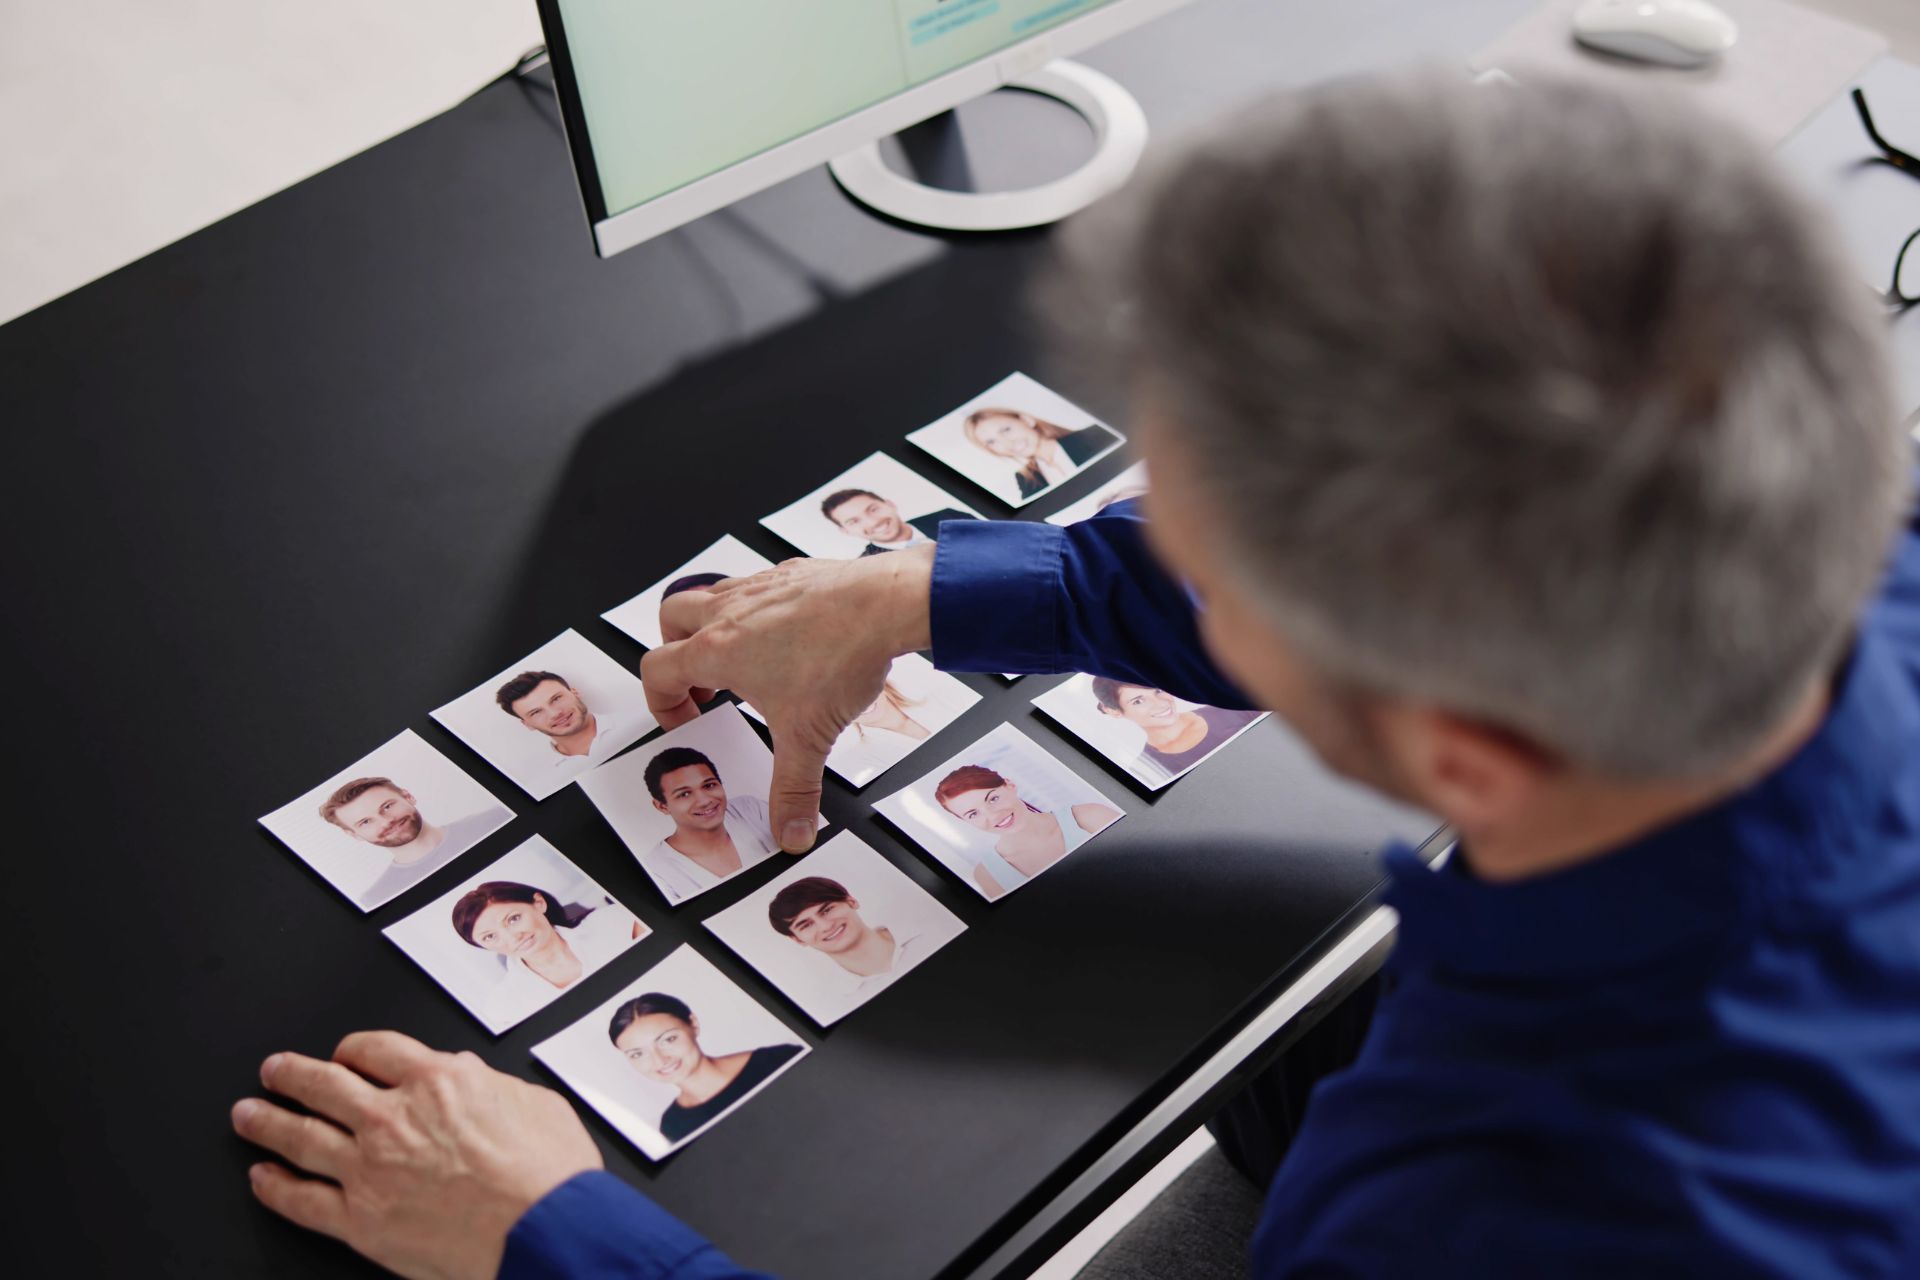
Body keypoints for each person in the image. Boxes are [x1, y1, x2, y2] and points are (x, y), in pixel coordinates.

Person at [231, 71, 1920, 1280]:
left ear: (1458, 748)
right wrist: (932, 590)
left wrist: (557, 1239)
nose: (1148, 537)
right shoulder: (1844, 550)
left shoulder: (1505, 1208)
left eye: (1191, 545)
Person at [606, 993, 802, 1143]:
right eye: (637, 1054)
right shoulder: (673, 1126)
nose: (659, 1060)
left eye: (668, 1039)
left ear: (693, 1024)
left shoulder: (777, 1060)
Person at [449, 881, 647, 1026]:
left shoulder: (614, 921)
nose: (512, 938)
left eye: (513, 919)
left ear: (538, 903)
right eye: (490, 937)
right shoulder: (503, 1007)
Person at [933, 763, 1120, 899]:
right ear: (964, 821)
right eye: (973, 814)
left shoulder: (1092, 816)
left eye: (993, 799)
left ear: (1010, 785)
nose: (993, 815)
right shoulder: (987, 874)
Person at [319, 776, 509, 907]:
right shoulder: (377, 898)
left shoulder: (494, 819)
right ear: (354, 834)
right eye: (366, 822)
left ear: (408, 797)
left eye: (387, 806)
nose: (387, 821)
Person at [636, 746, 779, 904]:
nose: (704, 801)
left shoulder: (749, 809)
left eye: (709, 785)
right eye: (684, 794)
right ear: (663, 806)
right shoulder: (657, 871)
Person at [766, 875, 933, 1011]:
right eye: (806, 925)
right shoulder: (834, 1005)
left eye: (827, 910)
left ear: (851, 901)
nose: (826, 926)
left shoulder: (931, 928)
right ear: (798, 939)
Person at [1090, 675, 1263, 781]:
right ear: (1113, 711)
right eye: (1138, 701)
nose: (1162, 703)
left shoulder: (1229, 706)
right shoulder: (1148, 771)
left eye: (1157, 690)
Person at [962, 406, 1120, 500]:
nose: (1007, 443)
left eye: (1006, 430)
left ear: (1027, 420)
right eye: (991, 442)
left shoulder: (1093, 436)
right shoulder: (1025, 479)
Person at [494, 670, 630, 772]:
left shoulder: (638, 720)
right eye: (536, 712)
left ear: (575, 693)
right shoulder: (542, 778)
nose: (555, 714)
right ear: (527, 724)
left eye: (556, 699)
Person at [818, 487, 976, 556]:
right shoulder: (866, 569)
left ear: (890, 504)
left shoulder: (949, 517)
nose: (873, 522)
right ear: (846, 532)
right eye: (854, 522)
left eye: (873, 510)